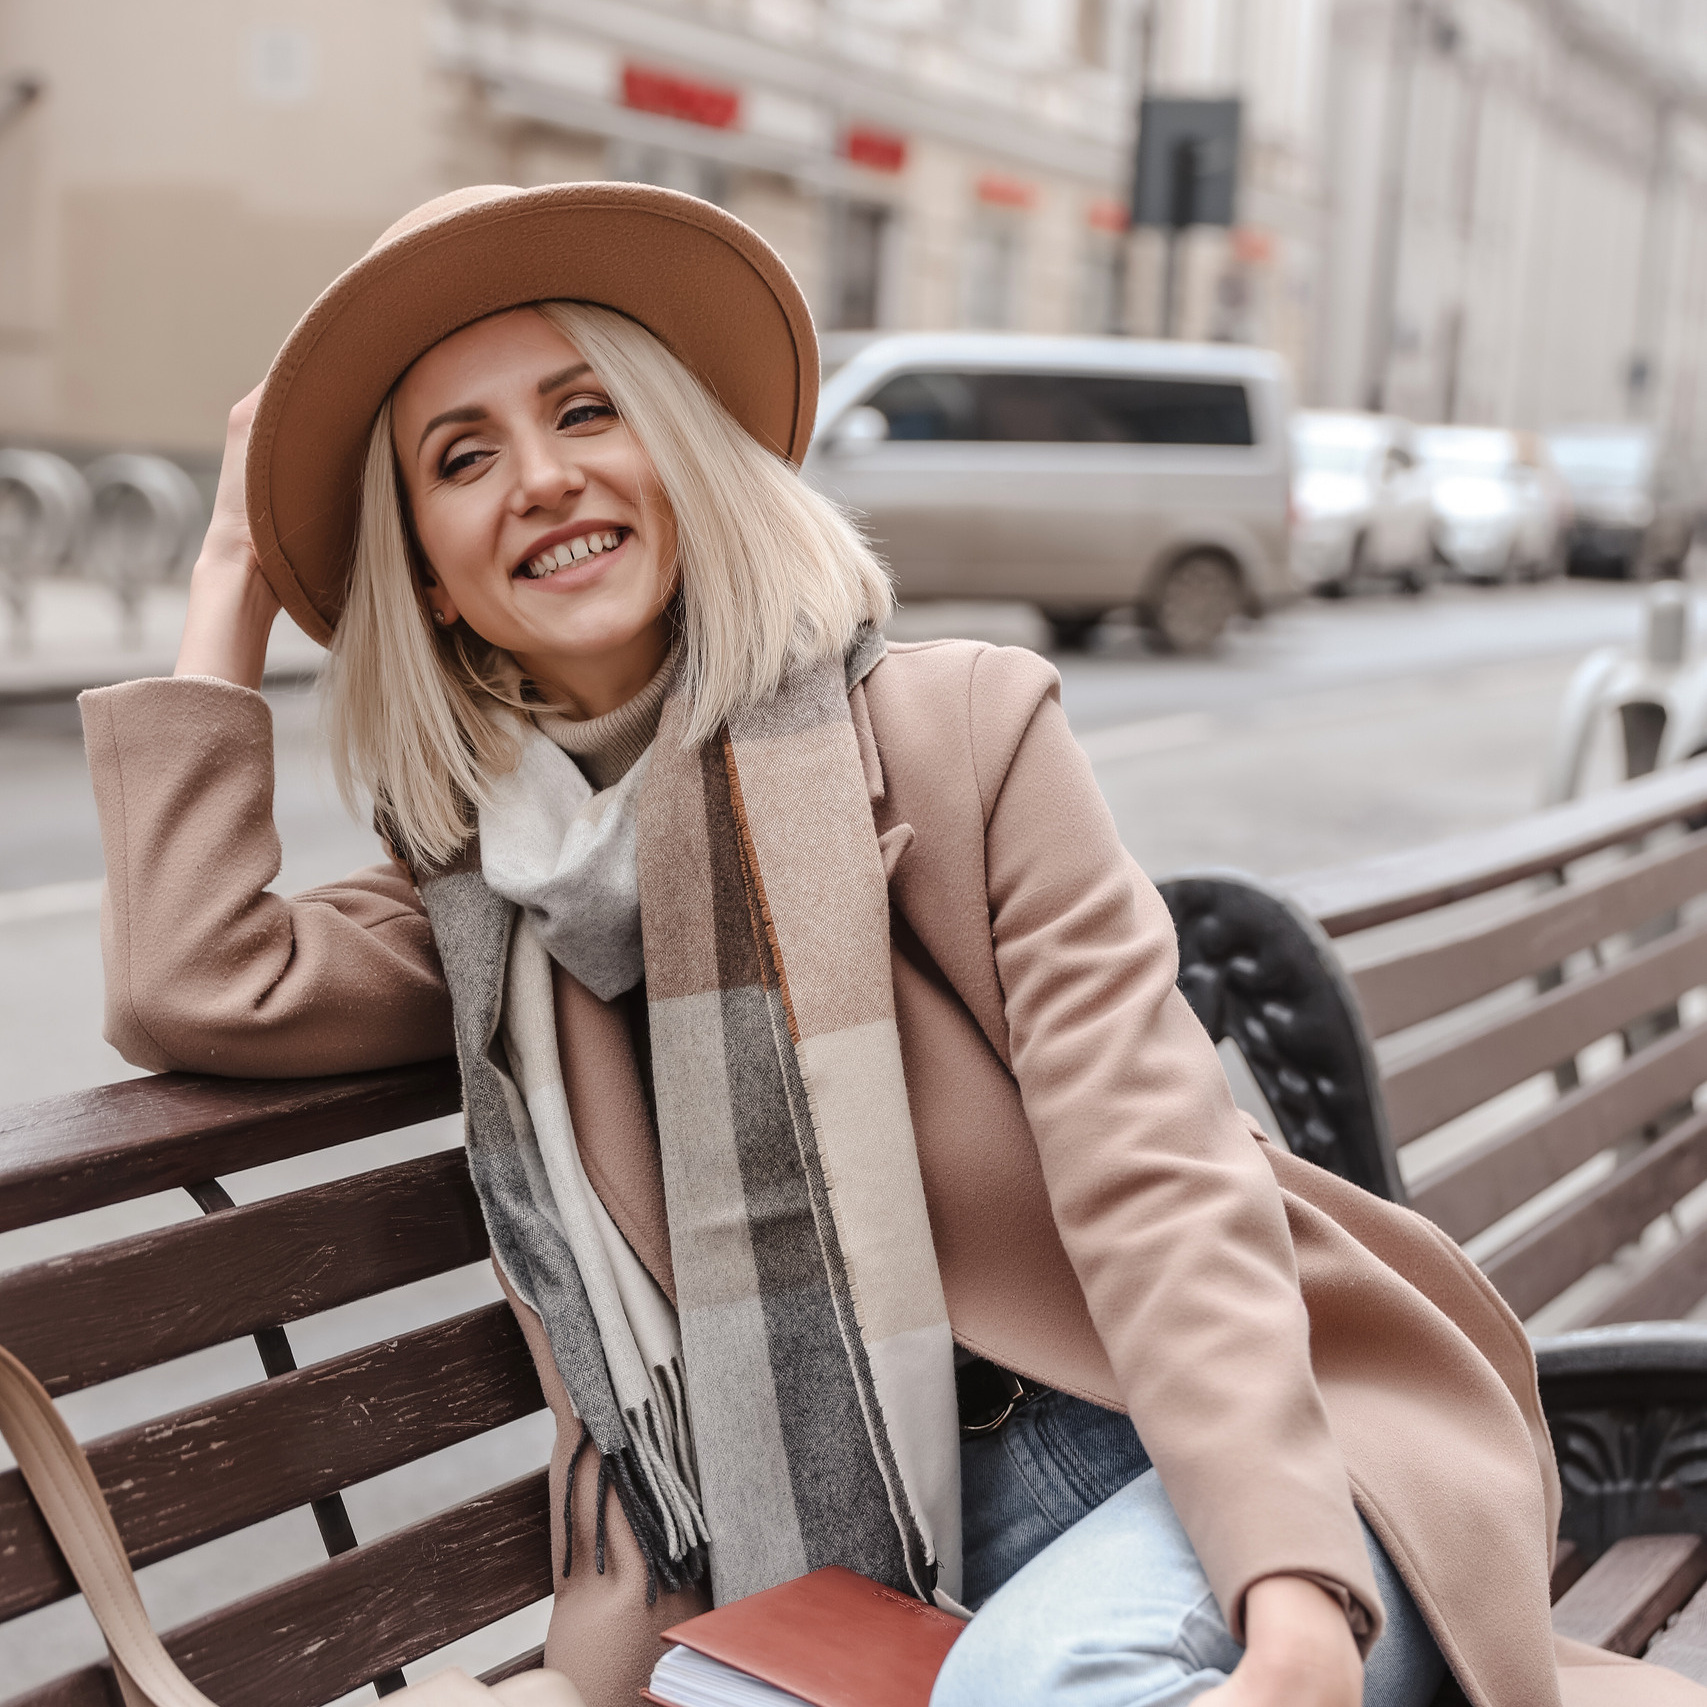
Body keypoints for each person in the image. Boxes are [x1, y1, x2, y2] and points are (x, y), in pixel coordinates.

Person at [79, 183, 1696, 1707]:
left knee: (1040, 1687)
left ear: (685, 453)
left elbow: (1159, 1175)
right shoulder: (492, 903)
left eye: (588, 410)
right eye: (461, 458)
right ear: (425, 578)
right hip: (864, 1560)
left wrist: (1288, 1587)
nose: (546, 478)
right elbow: (198, 981)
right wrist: (230, 574)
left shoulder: (956, 732)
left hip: (1219, 1451)